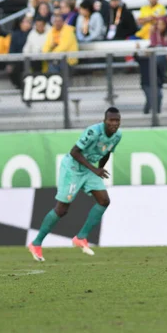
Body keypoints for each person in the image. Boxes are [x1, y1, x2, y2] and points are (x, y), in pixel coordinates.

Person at [28, 108, 122, 262]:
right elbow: (74, 152)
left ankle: (81, 237)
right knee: (62, 209)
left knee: (104, 200)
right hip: (72, 168)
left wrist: (100, 169)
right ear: (104, 120)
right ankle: (36, 243)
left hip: (89, 168)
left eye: (117, 120)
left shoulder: (118, 135)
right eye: (111, 120)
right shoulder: (93, 132)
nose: (114, 123)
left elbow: (106, 153)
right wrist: (94, 169)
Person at [7, 15, 33, 89]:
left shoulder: (32, 33)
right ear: (20, 24)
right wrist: (10, 63)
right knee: (12, 70)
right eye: (26, 22)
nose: (29, 23)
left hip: (31, 58)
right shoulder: (15, 34)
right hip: (18, 59)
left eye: (29, 22)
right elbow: (12, 49)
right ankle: (20, 86)